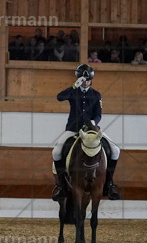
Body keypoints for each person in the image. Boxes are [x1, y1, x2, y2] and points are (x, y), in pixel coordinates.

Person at [51, 64, 121, 201]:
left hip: (92, 129)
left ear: (91, 80)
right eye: (82, 80)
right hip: (73, 129)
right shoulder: (73, 92)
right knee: (56, 152)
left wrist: (94, 122)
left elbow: (98, 114)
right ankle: (62, 187)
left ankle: (109, 183)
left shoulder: (96, 95)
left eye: (87, 80)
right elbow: (59, 97)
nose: (85, 82)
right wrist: (73, 86)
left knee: (116, 149)